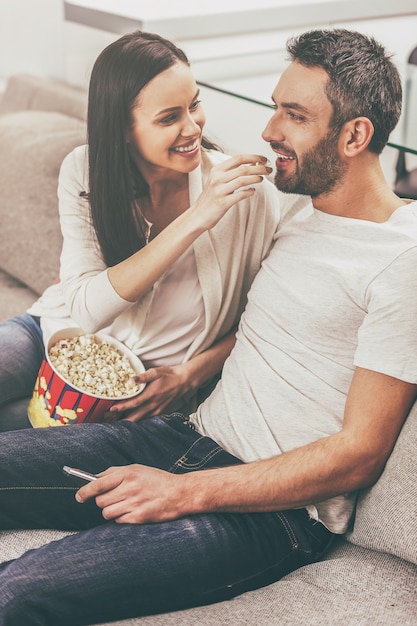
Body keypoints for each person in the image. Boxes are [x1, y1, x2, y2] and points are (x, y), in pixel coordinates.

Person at [0, 27, 416, 626]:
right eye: (275, 107)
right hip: (184, 441)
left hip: (273, 514)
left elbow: (358, 455)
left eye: (293, 115)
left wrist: (185, 493)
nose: (269, 131)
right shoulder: (295, 212)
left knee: (18, 590)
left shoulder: (403, 262)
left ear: (355, 135)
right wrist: (190, 380)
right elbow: (240, 320)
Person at [0, 30, 278, 431]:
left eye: (194, 105)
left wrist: (191, 375)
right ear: (123, 128)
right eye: (169, 118)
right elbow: (87, 311)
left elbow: (263, 318)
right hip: (57, 333)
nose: (192, 128)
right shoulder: (85, 171)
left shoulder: (246, 195)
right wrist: (196, 217)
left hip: (133, 390)